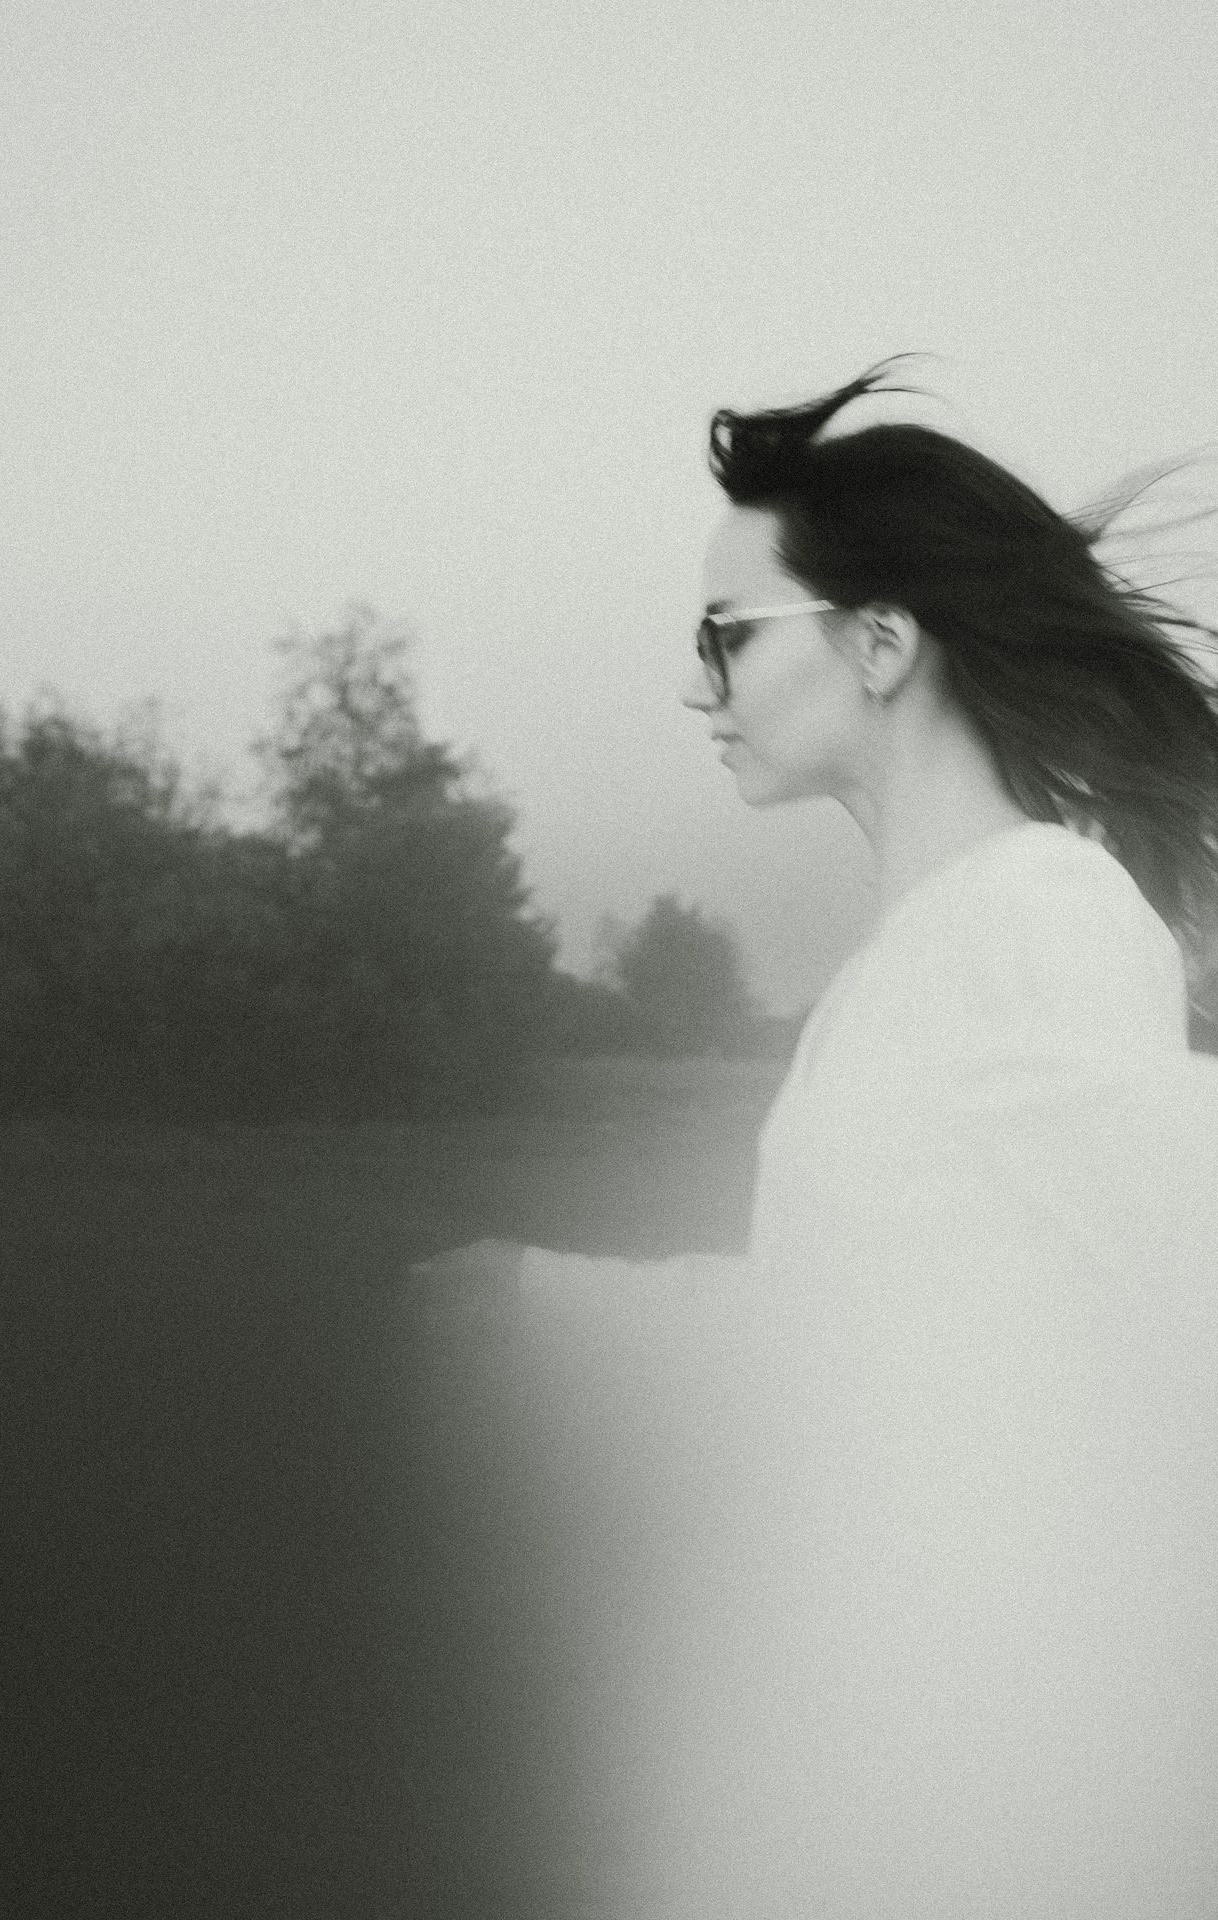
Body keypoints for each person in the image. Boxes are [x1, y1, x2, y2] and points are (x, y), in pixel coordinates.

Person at [412, 362, 1218, 1918]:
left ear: (883, 641)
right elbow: (873, 1323)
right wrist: (536, 1293)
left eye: (727, 634)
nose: (697, 682)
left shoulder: (1035, 920)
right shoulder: (937, 946)